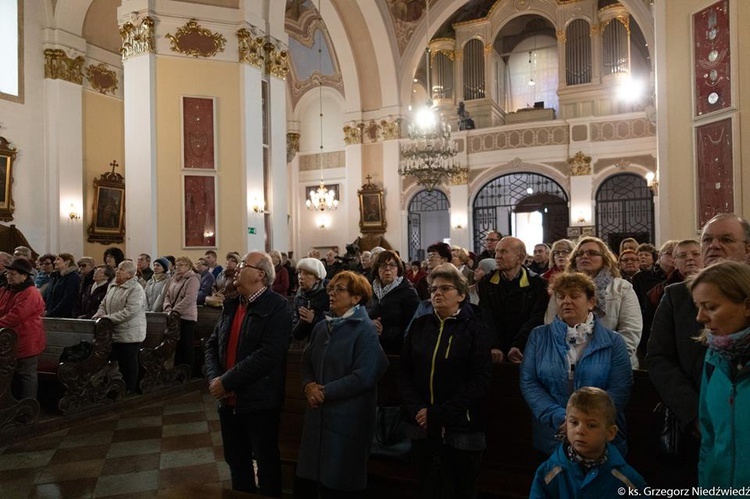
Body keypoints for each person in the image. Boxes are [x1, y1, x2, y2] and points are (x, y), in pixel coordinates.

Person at [647, 213, 750, 486]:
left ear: (747, 248)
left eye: (726, 239)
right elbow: (658, 357)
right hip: (690, 427)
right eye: (708, 240)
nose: (714, 246)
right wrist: (694, 414)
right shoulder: (677, 295)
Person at [400, 264, 492, 499]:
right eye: (433, 289)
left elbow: (480, 380)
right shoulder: (420, 326)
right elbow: (404, 373)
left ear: (461, 295)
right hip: (421, 423)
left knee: (461, 489)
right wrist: (419, 410)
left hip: (463, 425)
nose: (437, 293)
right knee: (428, 487)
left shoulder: (474, 328)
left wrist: (440, 414)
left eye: (445, 288)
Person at [295, 271, 389, 498]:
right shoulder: (321, 327)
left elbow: (364, 377)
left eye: (340, 290)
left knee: (339, 483)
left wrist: (323, 392)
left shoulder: (365, 330)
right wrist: (309, 386)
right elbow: (306, 362)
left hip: (348, 419)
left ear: (356, 297)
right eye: (331, 289)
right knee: (313, 481)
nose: (332, 294)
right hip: (318, 418)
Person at [204, 251, 291, 496]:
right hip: (228, 399)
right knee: (237, 461)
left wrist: (227, 381)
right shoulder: (233, 304)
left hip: (259, 401)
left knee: (266, 463)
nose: (237, 269)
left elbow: (267, 355)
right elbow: (212, 344)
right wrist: (215, 379)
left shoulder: (278, 307)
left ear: (260, 275)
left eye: (243, 265)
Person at [520, 272, 633, 457]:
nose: (566, 301)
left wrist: (585, 421)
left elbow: (620, 387)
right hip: (553, 433)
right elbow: (529, 382)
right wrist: (560, 418)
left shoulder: (613, 341)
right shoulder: (538, 336)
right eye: (560, 296)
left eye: (574, 296)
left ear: (591, 302)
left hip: (598, 434)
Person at [688, 261, 750, 488]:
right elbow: (710, 435)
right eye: (698, 306)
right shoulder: (714, 358)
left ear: (747, 305)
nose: (700, 317)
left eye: (711, 307)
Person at [530, 387, 646, 498]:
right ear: (565, 425)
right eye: (574, 422)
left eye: (591, 425)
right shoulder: (548, 472)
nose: (580, 431)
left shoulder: (627, 480)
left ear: (610, 433)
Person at [547, 236, 642, 367]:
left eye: (592, 253)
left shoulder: (621, 288)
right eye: (579, 254)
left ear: (604, 259)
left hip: (613, 363)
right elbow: (551, 323)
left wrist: (605, 360)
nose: (584, 256)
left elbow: (630, 330)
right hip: (568, 363)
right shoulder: (561, 288)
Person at [478, 236, 549, 364]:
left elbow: (536, 318)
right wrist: (494, 345)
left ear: (520, 258)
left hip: (526, 350)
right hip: (494, 352)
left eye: (504, 252)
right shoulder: (486, 282)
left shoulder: (538, 284)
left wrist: (519, 345)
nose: (497, 256)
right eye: (497, 251)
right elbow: (486, 315)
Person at [93, 260, 147, 394]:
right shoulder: (113, 286)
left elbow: (130, 311)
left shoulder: (136, 289)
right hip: (113, 331)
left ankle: (130, 388)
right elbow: (103, 304)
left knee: (128, 362)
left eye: (121, 270)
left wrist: (107, 319)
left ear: (129, 275)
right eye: (117, 269)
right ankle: (116, 386)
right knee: (116, 361)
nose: (117, 272)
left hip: (130, 332)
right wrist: (99, 314)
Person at [0, 258, 46, 400]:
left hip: (26, 340)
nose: (8, 276)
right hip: (8, 341)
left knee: (27, 374)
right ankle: (12, 404)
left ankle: (29, 406)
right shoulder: (5, 290)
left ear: (24, 276)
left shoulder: (31, 292)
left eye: (13, 274)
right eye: (8, 273)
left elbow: (16, 316)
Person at [366, 250, 420, 354]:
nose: (387, 269)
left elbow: (413, 327)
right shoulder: (369, 290)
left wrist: (384, 332)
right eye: (383, 265)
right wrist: (369, 324)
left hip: (396, 351)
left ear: (398, 269)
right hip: (370, 347)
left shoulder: (408, 293)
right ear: (376, 269)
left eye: (392, 265)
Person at [163, 256, 200, 372]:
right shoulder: (174, 279)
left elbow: (189, 298)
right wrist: (168, 307)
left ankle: (189, 370)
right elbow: (167, 295)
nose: (178, 267)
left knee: (186, 343)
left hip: (187, 316)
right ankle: (178, 369)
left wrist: (174, 311)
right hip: (174, 316)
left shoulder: (192, 279)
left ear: (188, 266)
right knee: (177, 345)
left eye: (182, 265)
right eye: (177, 265)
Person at [292, 257, 330, 343]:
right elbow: (296, 334)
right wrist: (302, 322)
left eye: (307, 274)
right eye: (299, 273)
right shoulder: (299, 296)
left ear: (317, 278)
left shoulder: (330, 293)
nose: (301, 277)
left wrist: (315, 319)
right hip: (311, 344)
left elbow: (339, 321)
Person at [44, 253, 81, 318]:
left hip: (63, 316)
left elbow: (68, 299)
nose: (54, 262)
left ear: (67, 262)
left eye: (58, 259)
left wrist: (52, 313)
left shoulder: (72, 277)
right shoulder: (56, 277)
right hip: (51, 315)